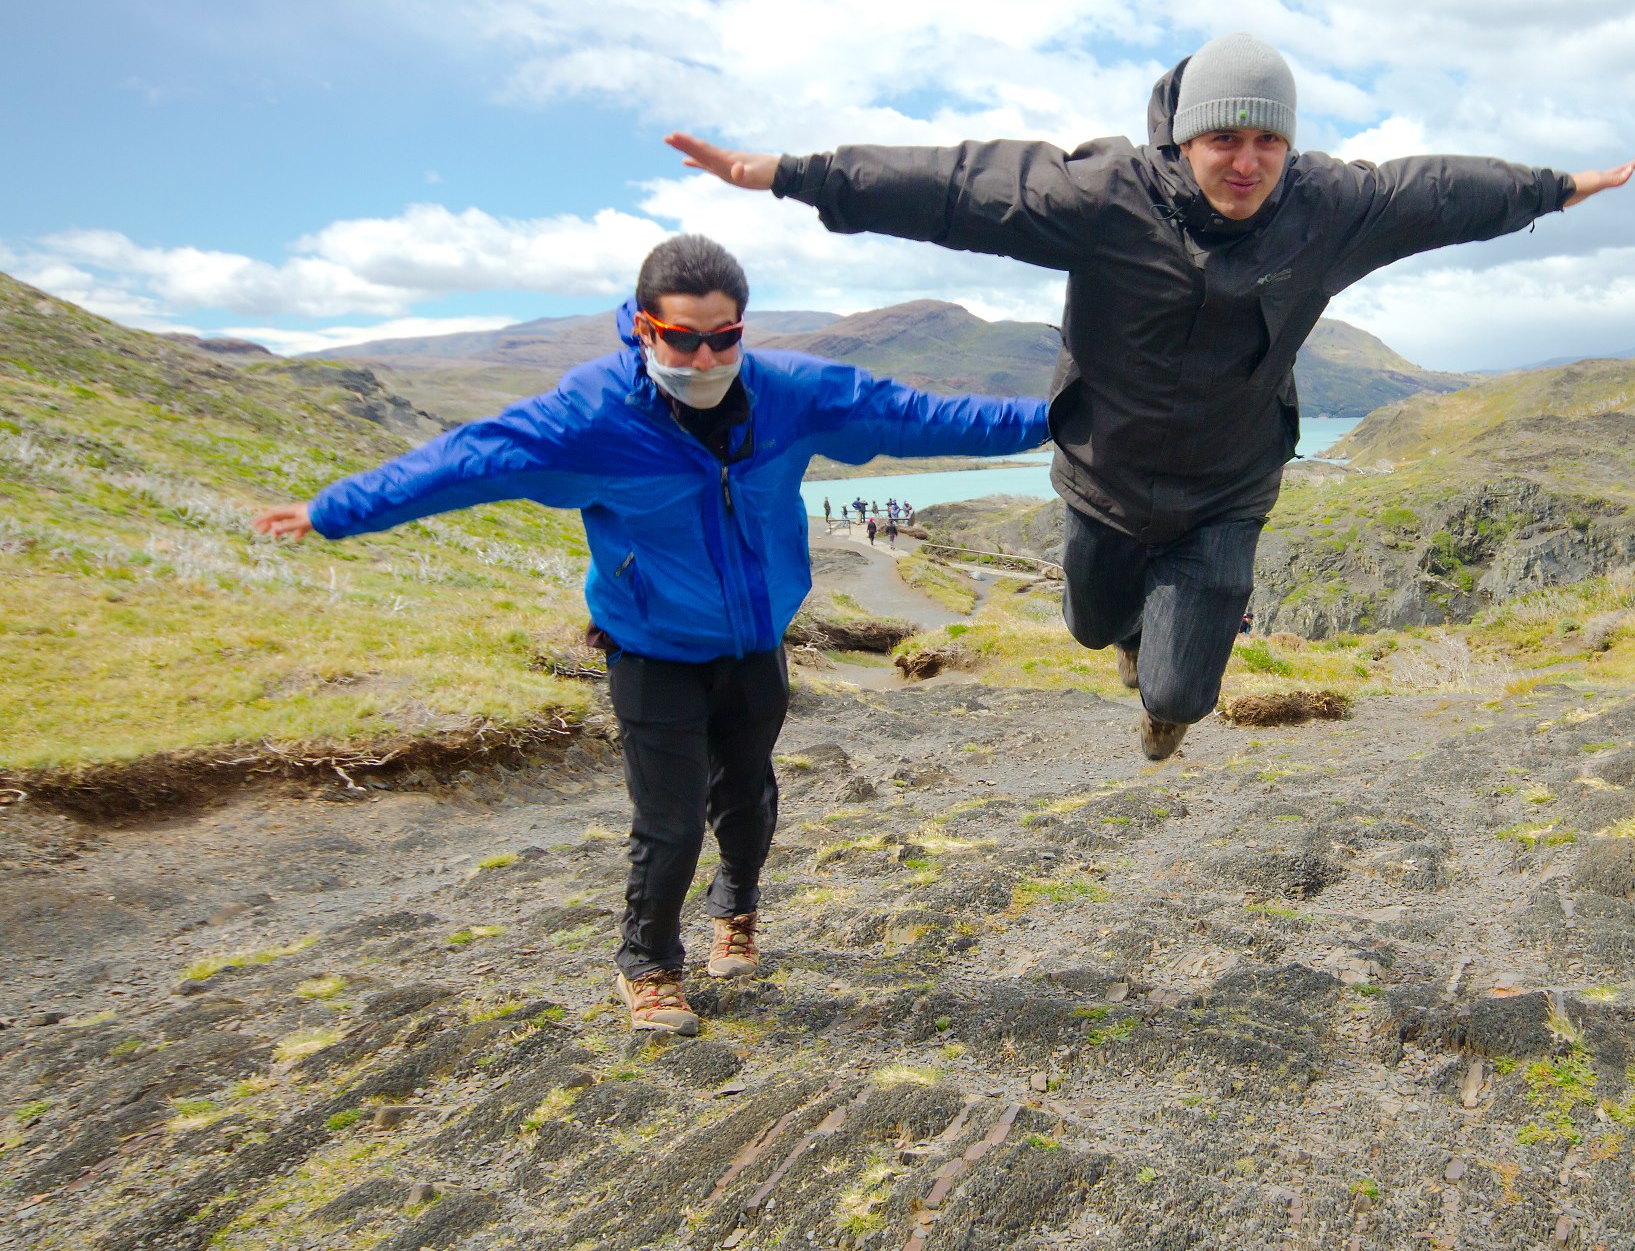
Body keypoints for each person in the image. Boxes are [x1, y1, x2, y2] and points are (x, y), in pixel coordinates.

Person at [666, 34, 1635, 760]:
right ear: (1182, 140)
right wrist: (796, 176)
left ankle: (1162, 694)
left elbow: (1437, 193)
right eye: (1223, 138)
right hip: (1103, 475)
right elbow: (955, 189)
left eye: (1266, 140)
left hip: (1226, 485)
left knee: (1180, 693)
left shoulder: (1327, 211)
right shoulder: (1102, 200)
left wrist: (1552, 188)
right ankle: (1126, 638)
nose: (1245, 162)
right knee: (1091, 624)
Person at [252, 234, 1046, 1035]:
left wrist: (1061, 419)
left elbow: (927, 416)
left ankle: (736, 908)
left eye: (723, 337)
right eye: (682, 338)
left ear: (743, 327)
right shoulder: (592, 416)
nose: (704, 359)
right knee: (667, 820)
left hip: (754, 643)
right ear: (643, 328)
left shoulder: (792, 395)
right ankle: (650, 964)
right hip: (650, 647)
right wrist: (334, 510)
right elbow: (467, 460)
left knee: (747, 796)